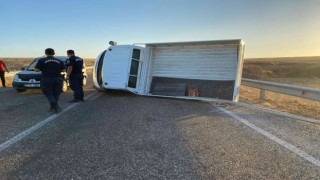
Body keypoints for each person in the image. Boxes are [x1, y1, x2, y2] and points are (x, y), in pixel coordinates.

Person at [35, 48, 66, 113]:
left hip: (47, 78)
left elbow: (37, 69)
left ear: (45, 53)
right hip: (57, 78)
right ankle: (54, 108)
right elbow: (63, 70)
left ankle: (54, 104)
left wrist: (43, 69)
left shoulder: (41, 60)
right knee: (56, 93)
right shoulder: (59, 60)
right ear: (54, 53)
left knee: (48, 92)